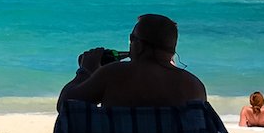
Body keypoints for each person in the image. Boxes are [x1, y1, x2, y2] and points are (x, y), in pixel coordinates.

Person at [57, 13, 207, 111]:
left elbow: (65, 105)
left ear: (139, 44)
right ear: (172, 50)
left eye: (131, 38)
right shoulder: (194, 86)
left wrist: (86, 71)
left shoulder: (114, 74)